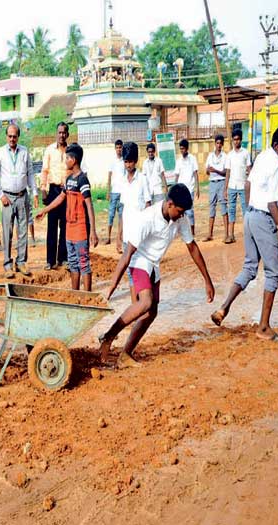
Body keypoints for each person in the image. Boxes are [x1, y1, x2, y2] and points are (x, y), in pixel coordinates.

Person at [99, 184, 214, 368]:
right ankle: (108, 336)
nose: (182, 215)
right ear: (169, 204)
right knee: (146, 302)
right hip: (139, 260)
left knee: (152, 312)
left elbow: (193, 248)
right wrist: (112, 286)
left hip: (154, 264)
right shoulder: (148, 218)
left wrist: (207, 280)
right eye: (180, 211)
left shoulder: (180, 220)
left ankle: (125, 354)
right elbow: (127, 254)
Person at [211, 124, 278, 343]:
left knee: (250, 267)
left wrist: (250, 210)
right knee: (274, 273)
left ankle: (223, 309)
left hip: (251, 216)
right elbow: (272, 204)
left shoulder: (262, 157)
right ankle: (263, 327)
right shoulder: (273, 165)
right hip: (262, 217)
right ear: (277, 145)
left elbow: (248, 184)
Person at [36, 143, 99, 290]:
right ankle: (75, 294)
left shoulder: (83, 180)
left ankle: (87, 297)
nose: (65, 161)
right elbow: (60, 198)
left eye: (67, 158)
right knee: (72, 263)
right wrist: (45, 210)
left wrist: (93, 231)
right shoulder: (69, 179)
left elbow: (89, 205)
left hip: (81, 228)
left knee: (83, 262)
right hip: (70, 229)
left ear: (74, 160)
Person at [0, 124, 37, 279]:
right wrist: (1, 194)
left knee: (23, 231)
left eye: (14, 136)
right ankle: (8, 264)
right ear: (6, 136)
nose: (12, 139)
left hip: (22, 196)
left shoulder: (24, 152)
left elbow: (30, 173)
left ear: (18, 136)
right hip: (7, 198)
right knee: (7, 231)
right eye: (9, 136)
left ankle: (21, 261)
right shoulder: (0, 153)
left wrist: (34, 192)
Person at [41, 122, 69, 270]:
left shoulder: (71, 151)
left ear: (67, 134)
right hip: (52, 191)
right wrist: (43, 189)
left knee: (64, 225)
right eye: (59, 132)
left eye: (64, 132)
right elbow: (44, 171)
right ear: (56, 134)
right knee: (51, 226)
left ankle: (62, 258)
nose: (61, 135)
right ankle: (49, 261)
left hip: (67, 192)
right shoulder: (49, 150)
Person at [119, 142, 152, 251]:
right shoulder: (123, 181)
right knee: (128, 265)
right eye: (126, 162)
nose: (128, 165)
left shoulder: (142, 179)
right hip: (127, 233)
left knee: (142, 264)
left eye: (131, 161)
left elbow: (148, 205)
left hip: (140, 233)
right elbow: (123, 209)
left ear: (136, 160)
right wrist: (119, 234)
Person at [224, 129, 252, 244]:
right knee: (231, 210)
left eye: (238, 139)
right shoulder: (229, 155)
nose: (236, 142)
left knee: (246, 210)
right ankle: (231, 235)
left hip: (242, 186)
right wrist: (225, 189)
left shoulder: (245, 153)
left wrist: (250, 184)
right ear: (232, 140)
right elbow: (228, 172)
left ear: (241, 140)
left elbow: (249, 169)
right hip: (232, 186)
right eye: (234, 139)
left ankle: (248, 234)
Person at [203, 134, 228, 242]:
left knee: (223, 207)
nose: (218, 145)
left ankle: (227, 234)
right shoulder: (210, 156)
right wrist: (210, 170)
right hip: (212, 183)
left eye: (220, 143)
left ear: (222, 144)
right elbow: (207, 171)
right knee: (212, 206)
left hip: (221, 182)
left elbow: (225, 173)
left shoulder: (225, 156)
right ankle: (210, 234)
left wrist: (215, 170)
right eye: (217, 143)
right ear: (215, 144)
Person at [175, 139, 199, 235]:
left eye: (183, 149)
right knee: (180, 212)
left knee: (190, 212)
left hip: (190, 189)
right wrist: (175, 189)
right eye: (180, 149)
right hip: (181, 190)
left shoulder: (192, 159)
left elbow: (195, 173)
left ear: (187, 148)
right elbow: (176, 176)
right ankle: (183, 232)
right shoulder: (178, 161)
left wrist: (198, 188)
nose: (182, 151)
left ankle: (192, 232)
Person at [106, 139, 125, 250]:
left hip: (123, 192)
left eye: (120, 147)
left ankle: (119, 237)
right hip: (114, 192)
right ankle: (108, 237)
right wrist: (108, 191)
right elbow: (109, 176)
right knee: (111, 215)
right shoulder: (112, 161)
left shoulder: (125, 161)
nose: (119, 149)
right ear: (115, 148)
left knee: (121, 216)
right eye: (117, 147)